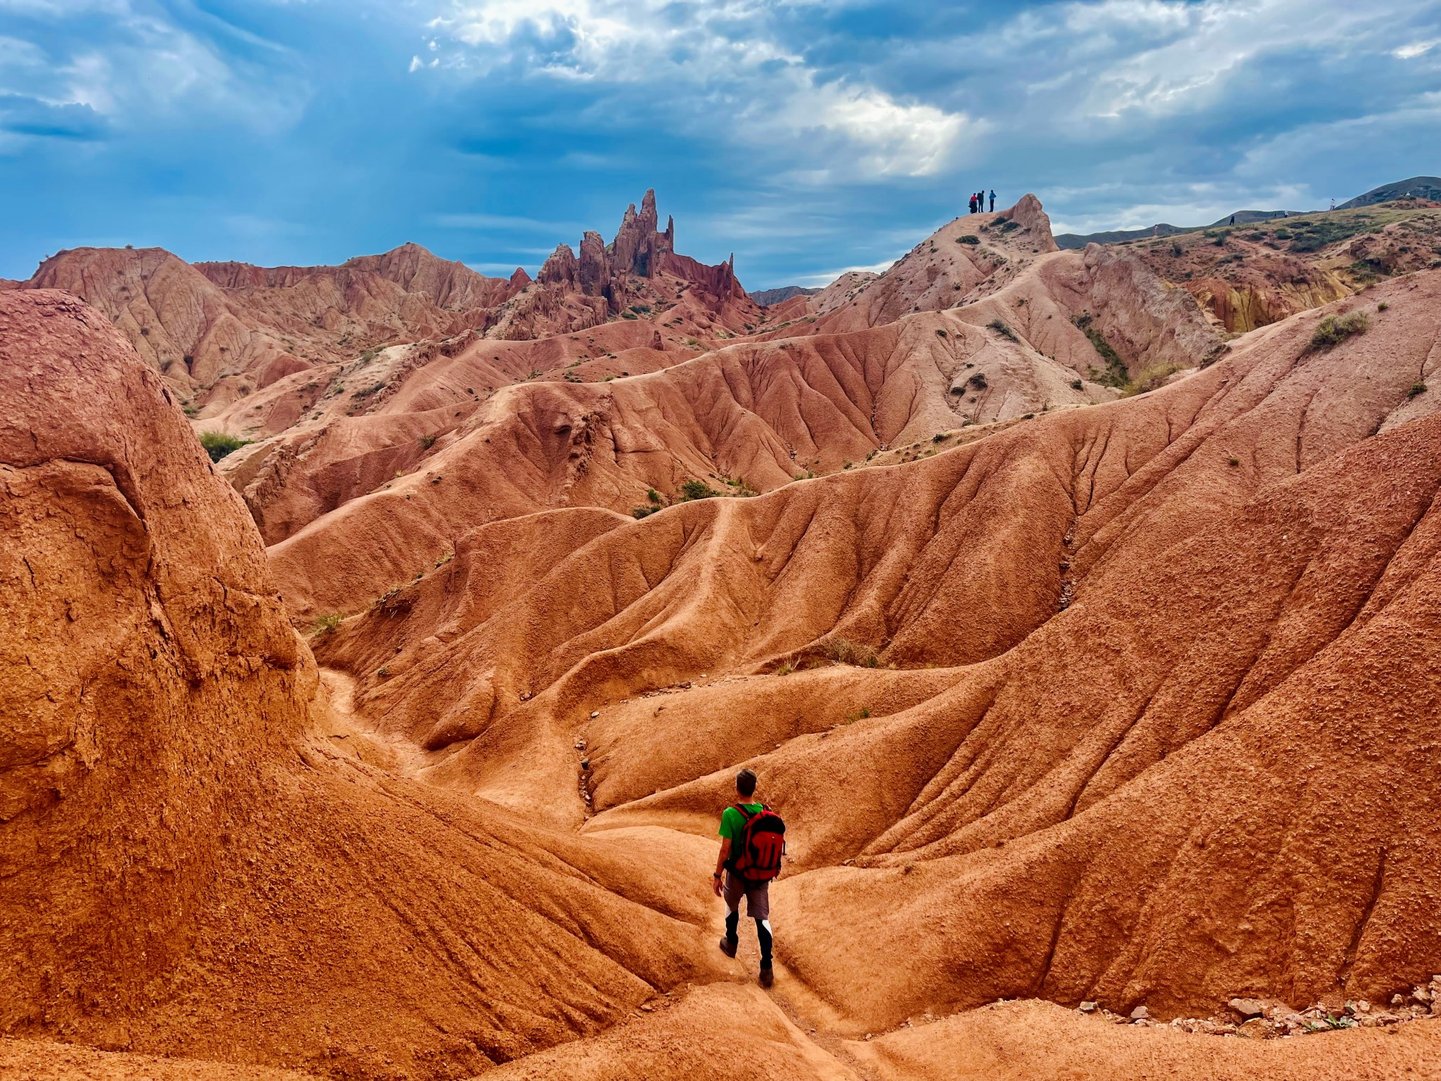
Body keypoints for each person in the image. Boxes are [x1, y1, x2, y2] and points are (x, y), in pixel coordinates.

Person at [714, 768, 776, 987]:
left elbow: (725, 850)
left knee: (731, 906)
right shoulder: (765, 811)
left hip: (738, 873)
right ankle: (767, 968)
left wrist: (717, 874)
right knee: (762, 919)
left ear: (737, 788)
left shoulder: (730, 814)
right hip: (760, 874)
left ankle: (730, 942)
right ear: (754, 788)